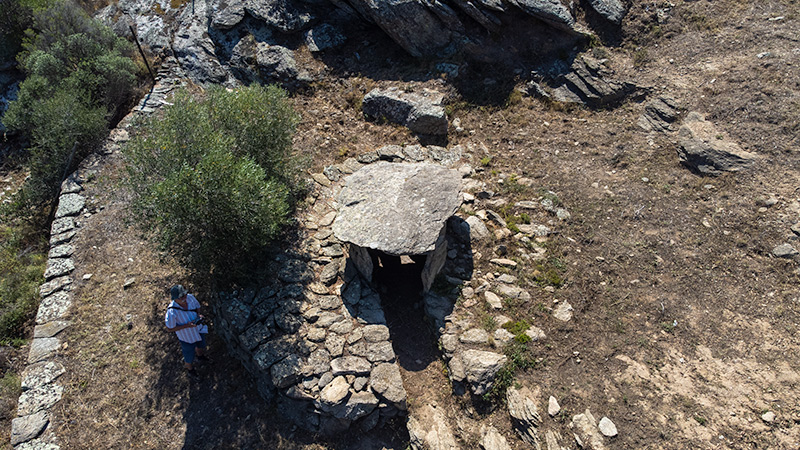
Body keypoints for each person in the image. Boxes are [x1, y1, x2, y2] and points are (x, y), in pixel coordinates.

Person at [164, 284, 208, 377]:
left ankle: (201, 357)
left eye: (184, 294)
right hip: (187, 338)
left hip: (198, 330)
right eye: (181, 296)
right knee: (189, 356)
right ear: (175, 299)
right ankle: (190, 370)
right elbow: (169, 328)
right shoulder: (172, 312)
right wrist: (186, 326)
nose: (184, 297)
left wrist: (199, 315)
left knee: (200, 345)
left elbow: (197, 307)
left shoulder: (191, 298)